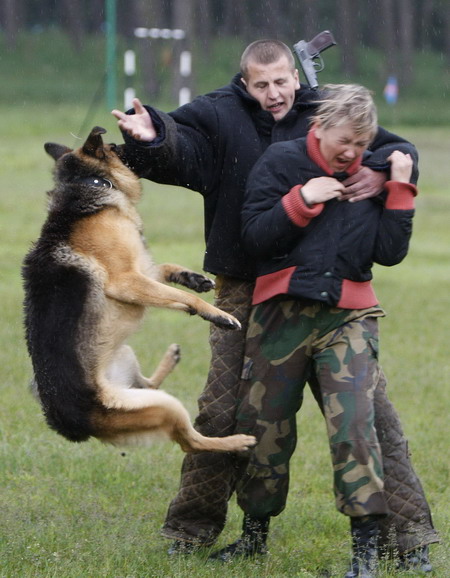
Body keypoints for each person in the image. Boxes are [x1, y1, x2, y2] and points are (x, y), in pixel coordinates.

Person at [112, 40, 438, 570]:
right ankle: (193, 529)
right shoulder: (220, 114)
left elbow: (397, 150)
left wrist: (382, 173)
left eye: (282, 82)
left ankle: (412, 540)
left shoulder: (325, 109)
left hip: (332, 296)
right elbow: (180, 148)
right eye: (261, 84)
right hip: (246, 286)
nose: (273, 93)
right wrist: (154, 136)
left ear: (296, 79)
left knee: (372, 418)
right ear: (245, 83)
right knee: (224, 412)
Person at [209, 84, 423, 576]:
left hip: (349, 318)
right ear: (319, 127)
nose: (351, 153)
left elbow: (390, 252)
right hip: (279, 315)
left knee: (355, 428)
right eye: (343, 141)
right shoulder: (281, 163)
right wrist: (301, 200)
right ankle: (254, 537)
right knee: (262, 428)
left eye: (361, 144)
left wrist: (398, 186)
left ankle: (365, 556)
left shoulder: (370, 174)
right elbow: (255, 237)